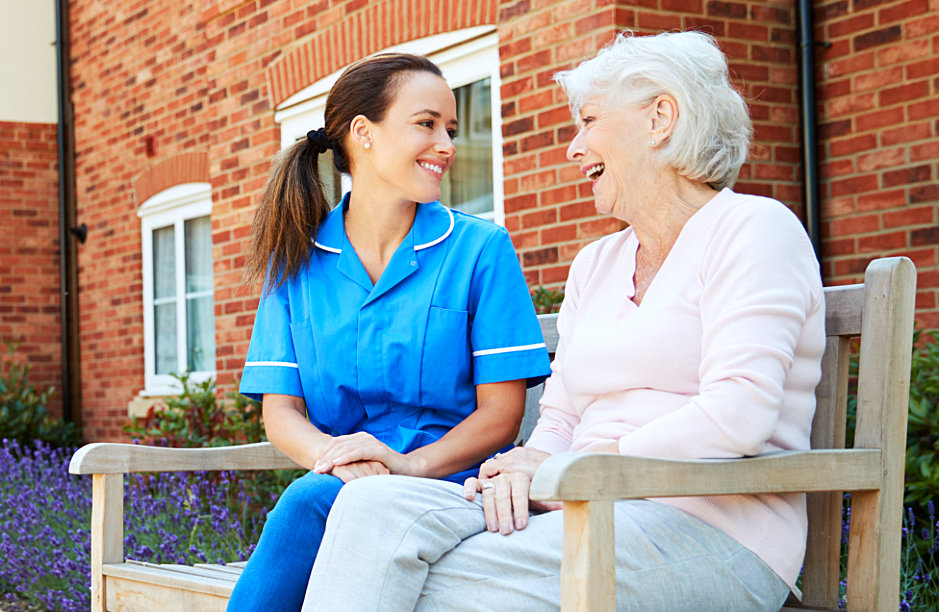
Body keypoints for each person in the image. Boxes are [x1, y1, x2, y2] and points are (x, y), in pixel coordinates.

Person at [300, 30, 827, 611]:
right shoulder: (596, 264)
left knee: (422, 582)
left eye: (590, 121)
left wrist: (566, 469)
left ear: (661, 118)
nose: (574, 149)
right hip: (579, 505)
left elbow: (739, 413)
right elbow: (561, 418)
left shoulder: (754, 230)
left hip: (712, 530)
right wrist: (519, 470)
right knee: (368, 509)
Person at [227, 53, 552, 611]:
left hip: (456, 483)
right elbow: (280, 412)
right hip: (340, 485)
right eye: (426, 124)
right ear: (363, 133)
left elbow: (501, 415)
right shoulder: (296, 263)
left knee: (309, 502)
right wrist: (341, 460)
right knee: (318, 498)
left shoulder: (480, 250)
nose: (447, 144)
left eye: (450, 129)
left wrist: (405, 466)